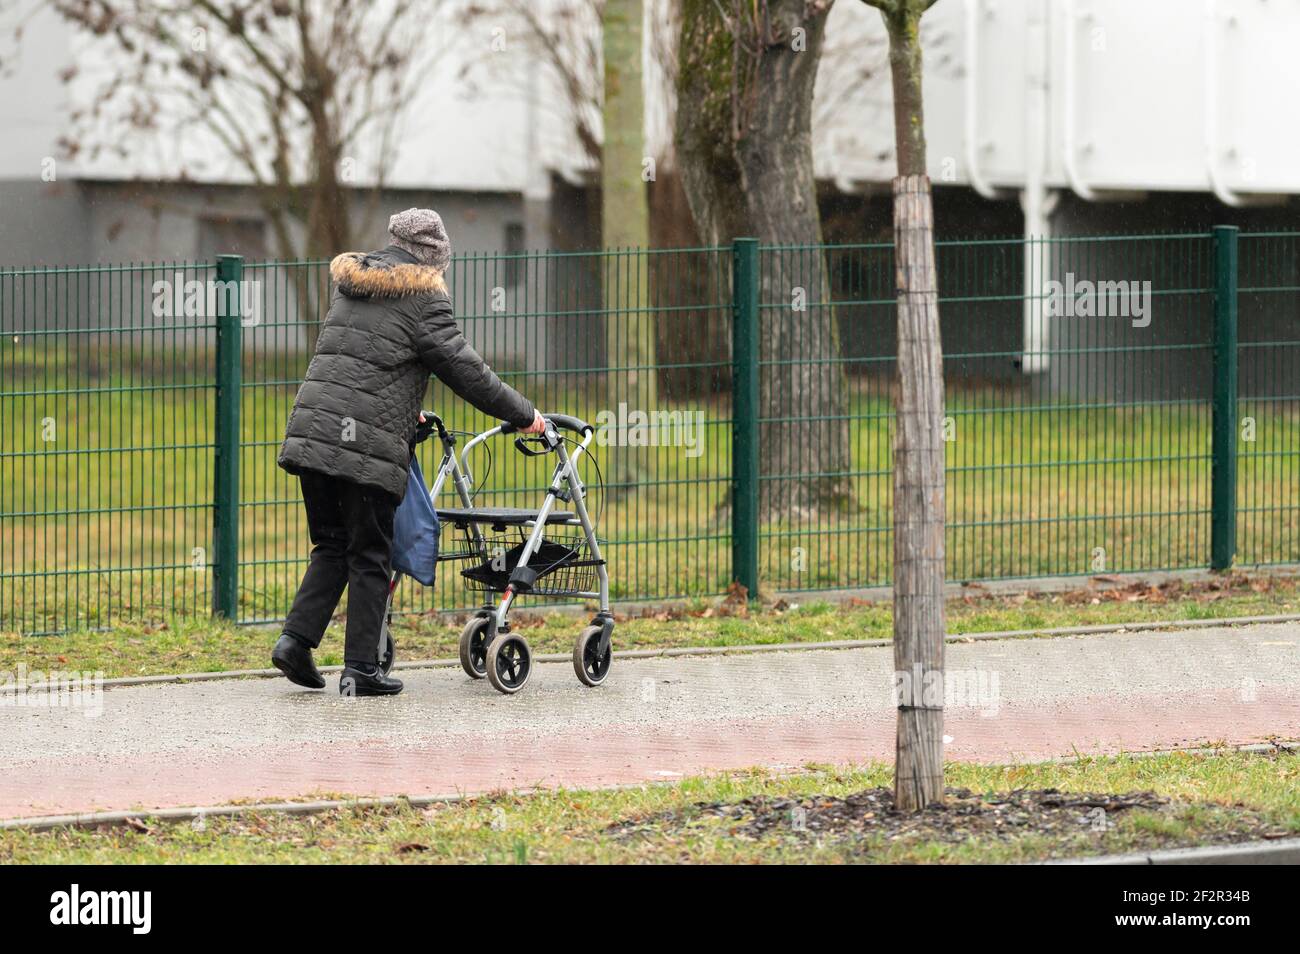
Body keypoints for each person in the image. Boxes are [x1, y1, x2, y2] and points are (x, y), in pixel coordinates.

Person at [272, 208, 545, 697]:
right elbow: (467, 371)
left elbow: (364, 364)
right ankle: (361, 669)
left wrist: (405, 412)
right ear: (433, 259)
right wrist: (526, 414)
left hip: (313, 433)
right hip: (365, 447)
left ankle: (295, 643)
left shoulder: (354, 286)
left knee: (333, 544)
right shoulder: (422, 299)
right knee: (371, 552)